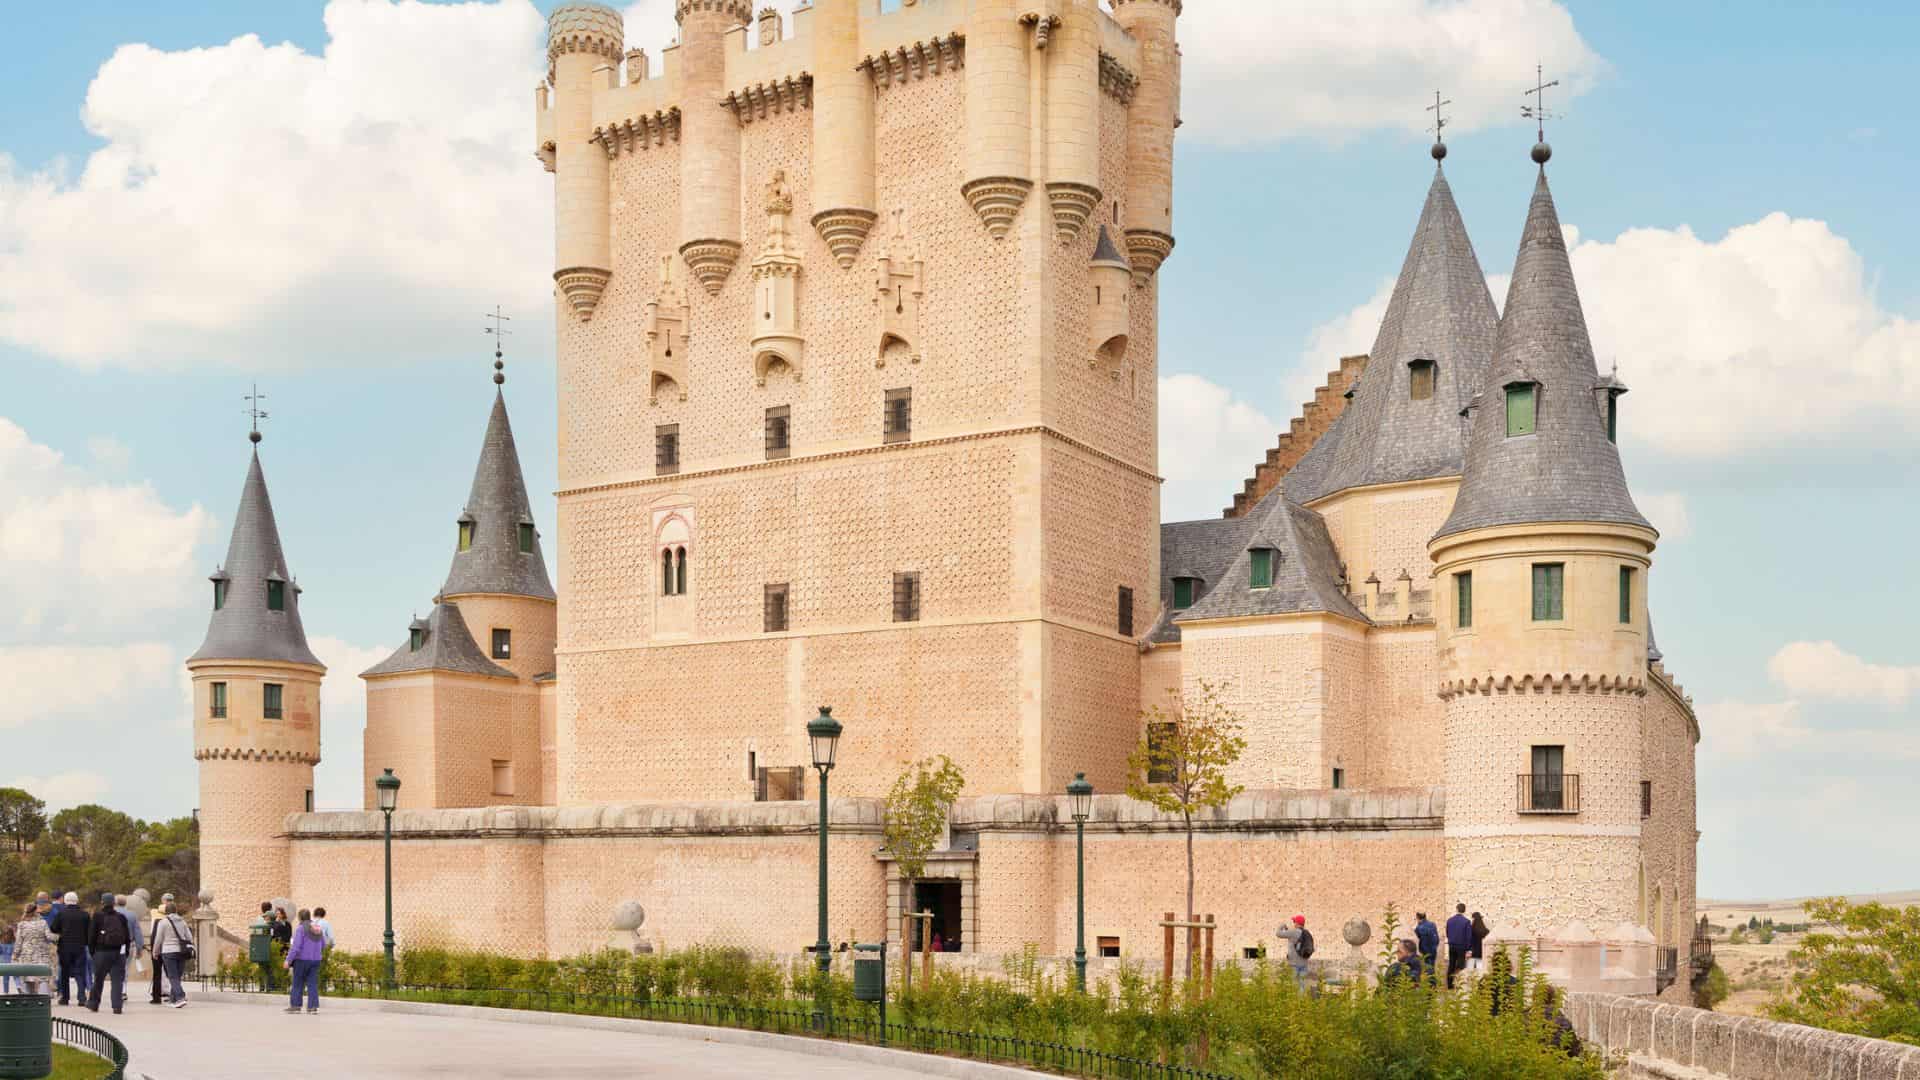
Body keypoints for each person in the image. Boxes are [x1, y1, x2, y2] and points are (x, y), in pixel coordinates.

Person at [86, 893, 139, 1014]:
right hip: (117, 953)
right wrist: (124, 953)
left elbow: (91, 936)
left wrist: (92, 952)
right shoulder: (121, 917)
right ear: (113, 903)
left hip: (101, 952)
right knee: (117, 981)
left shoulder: (97, 916)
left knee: (98, 980)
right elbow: (127, 937)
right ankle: (117, 1006)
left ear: (102, 903)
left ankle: (94, 1004)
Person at [150, 901, 195, 1008]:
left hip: (168, 951)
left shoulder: (163, 922)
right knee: (177, 977)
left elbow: (158, 939)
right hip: (182, 952)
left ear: (166, 911)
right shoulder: (182, 921)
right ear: (175, 910)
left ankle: (180, 997)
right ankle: (173, 999)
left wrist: (155, 952)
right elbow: (189, 937)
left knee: (172, 976)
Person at [51, 892, 91, 1006]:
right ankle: (82, 997)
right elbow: (90, 931)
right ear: (77, 901)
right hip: (80, 947)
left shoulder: (61, 914)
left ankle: (65, 998)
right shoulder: (84, 915)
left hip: (64, 947)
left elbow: (53, 928)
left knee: (64, 973)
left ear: (65, 901)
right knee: (80, 972)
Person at [284, 908, 327, 1014]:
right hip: (316, 960)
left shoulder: (301, 929)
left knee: (297, 983)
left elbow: (296, 947)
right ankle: (312, 1007)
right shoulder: (317, 928)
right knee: (312, 983)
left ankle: (296, 1006)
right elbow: (323, 945)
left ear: (300, 918)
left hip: (302, 960)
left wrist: (288, 960)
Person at [12, 903, 55, 997]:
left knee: (28, 978)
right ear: (35, 911)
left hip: (27, 955)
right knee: (42, 978)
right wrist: (58, 936)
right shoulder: (42, 923)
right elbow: (49, 936)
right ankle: (43, 1001)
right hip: (41, 954)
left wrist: (15, 955)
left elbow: (18, 942)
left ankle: (29, 1001)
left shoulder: (22, 925)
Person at [1275, 915, 1314, 991]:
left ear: (1297, 923)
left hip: (1294, 964)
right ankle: (1301, 1001)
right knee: (1302, 986)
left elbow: (1278, 934)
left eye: (1294, 921)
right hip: (1304, 963)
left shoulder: (1293, 932)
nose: (1293, 923)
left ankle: (1292, 1001)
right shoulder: (1307, 933)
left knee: (1292, 985)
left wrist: (1282, 925)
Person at [1444, 903, 1473, 988]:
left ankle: (1449, 985)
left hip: (1452, 945)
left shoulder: (1449, 920)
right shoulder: (1466, 922)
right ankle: (1459, 985)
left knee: (1451, 965)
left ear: (1456, 909)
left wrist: (1451, 941)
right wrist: (1469, 949)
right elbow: (1468, 937)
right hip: (1461, 946)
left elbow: (1447, 933)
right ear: (1464, 910)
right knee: (1461, 966)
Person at [1413, 912, 1439, 982]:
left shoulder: (1419, 927)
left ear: (1418, 918)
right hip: (1433, 950)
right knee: (1432, 969)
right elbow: (1436, 939)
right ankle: (1433, 987)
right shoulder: (1432, 924)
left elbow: (1419, 936)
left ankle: (1431, 988)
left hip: (1426, 952)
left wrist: (1415, 929)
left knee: (1428, 971)